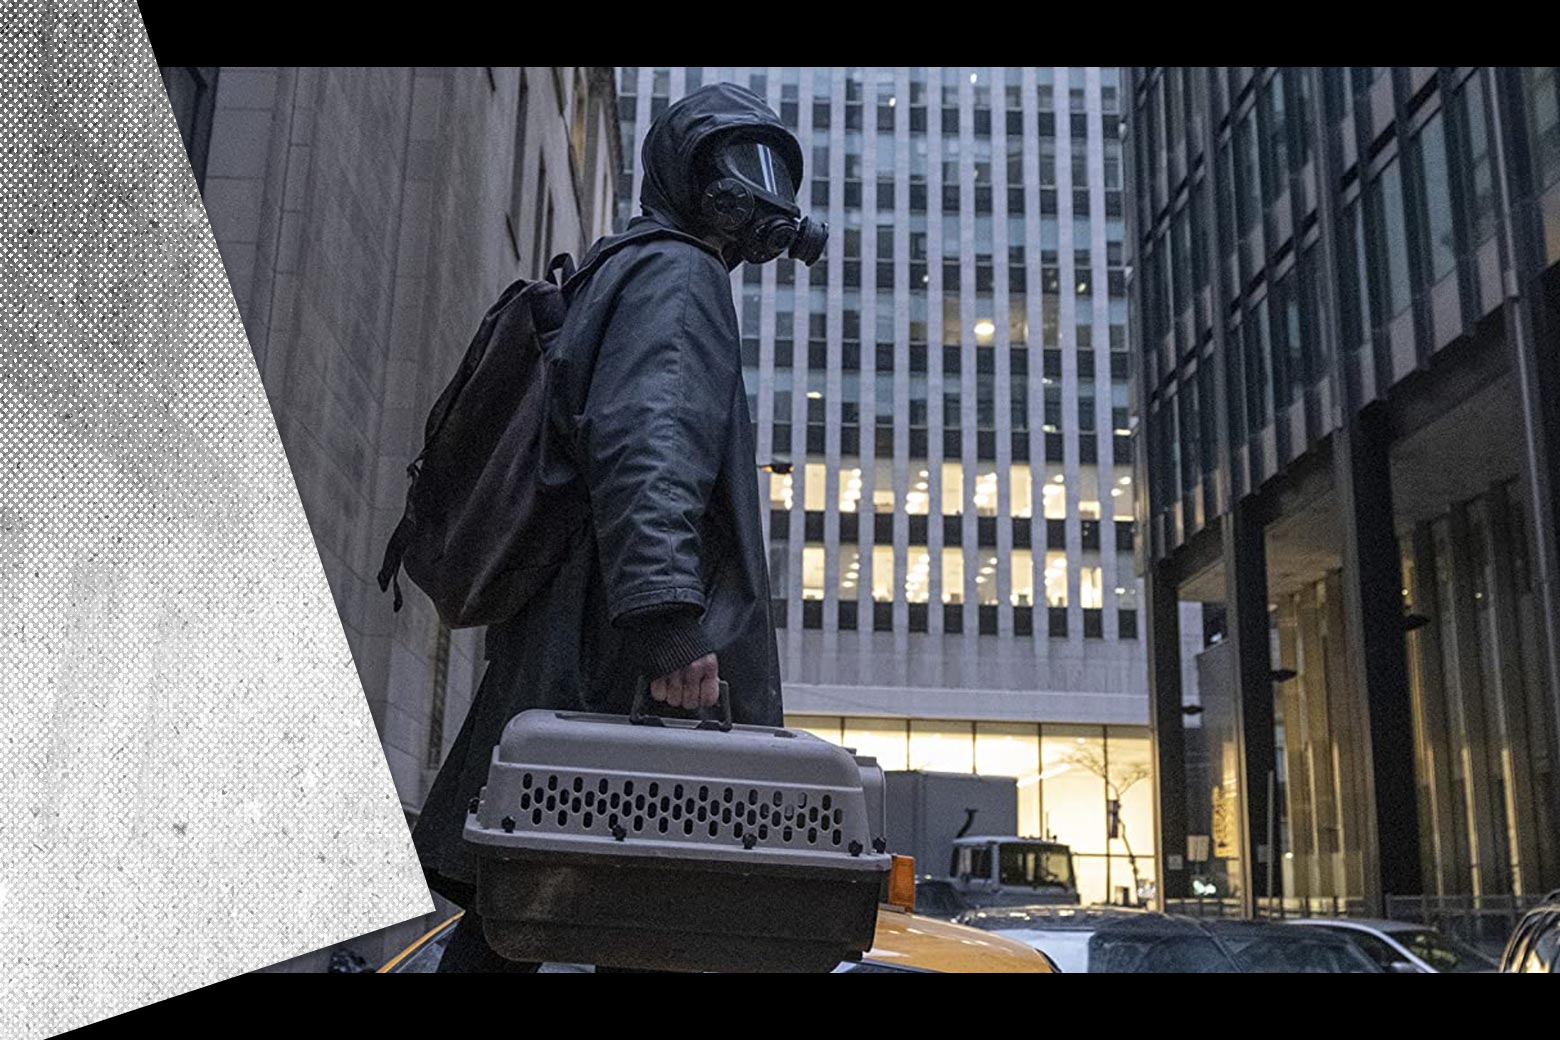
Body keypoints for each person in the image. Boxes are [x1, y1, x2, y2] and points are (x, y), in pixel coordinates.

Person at [411, 83, 825, 972]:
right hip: (630, 671)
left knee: (528, 907)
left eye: (761, 176)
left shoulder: (621, 266)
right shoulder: (678, 274)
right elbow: (651, 436)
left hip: (584, 653)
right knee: (653, 918)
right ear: (681, 176)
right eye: (727, 172)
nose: (746, 197)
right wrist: (671, 624)